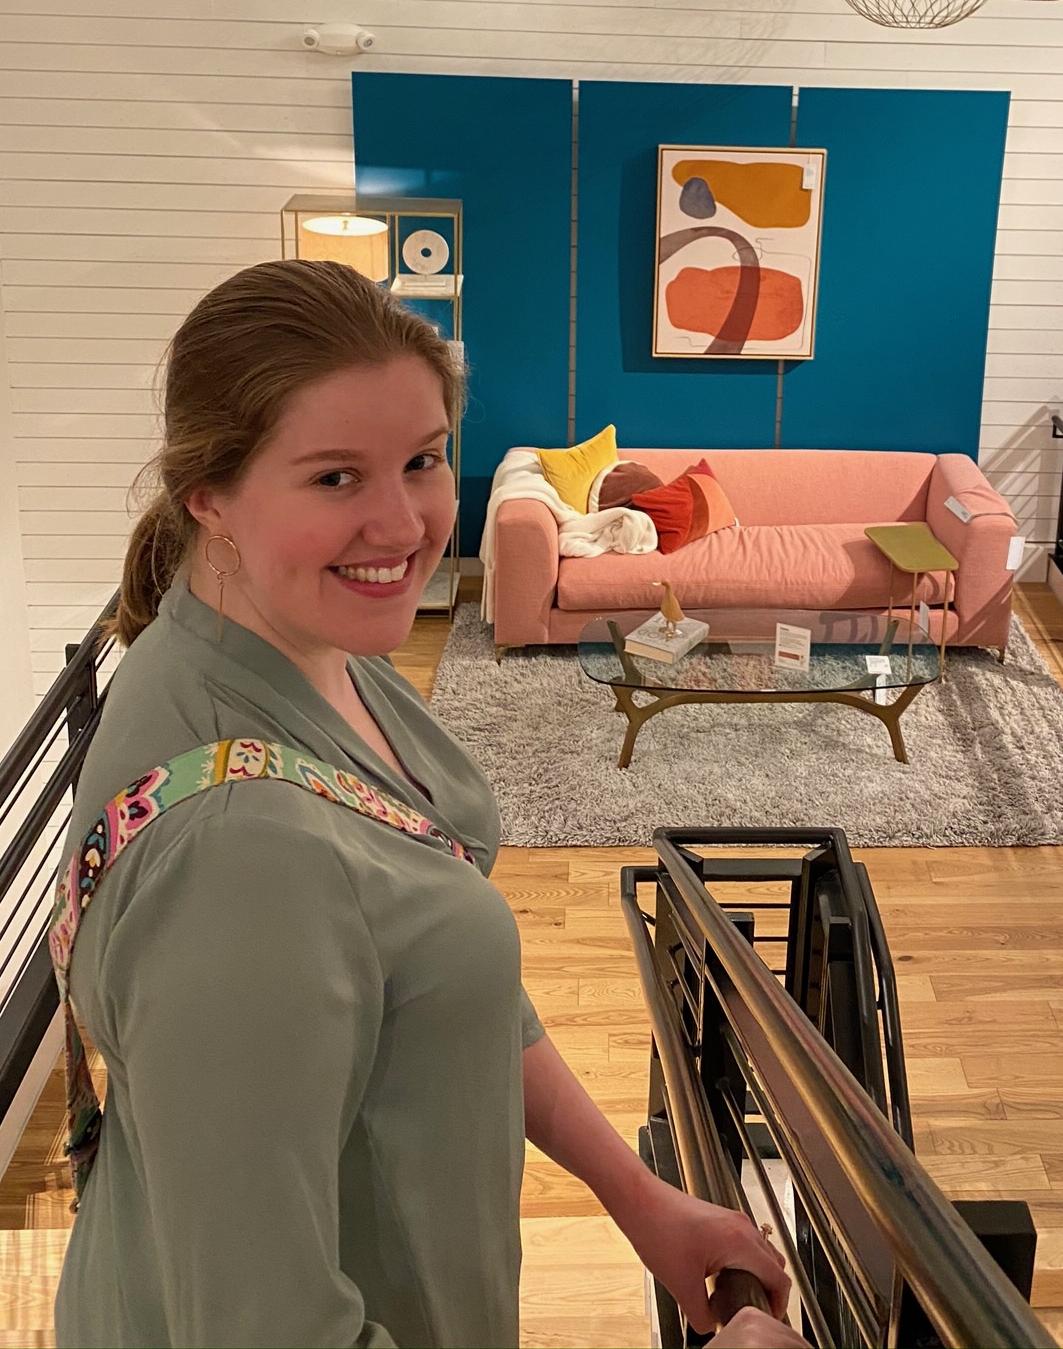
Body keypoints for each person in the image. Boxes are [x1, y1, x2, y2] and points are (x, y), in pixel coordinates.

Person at [54, 258, 800, 1348]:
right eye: (335, 477)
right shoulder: (238, 858)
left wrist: (641, 1197)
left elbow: (451, 984)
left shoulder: (306, 649)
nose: (403, 521)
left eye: (423, 459)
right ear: (209, 493)